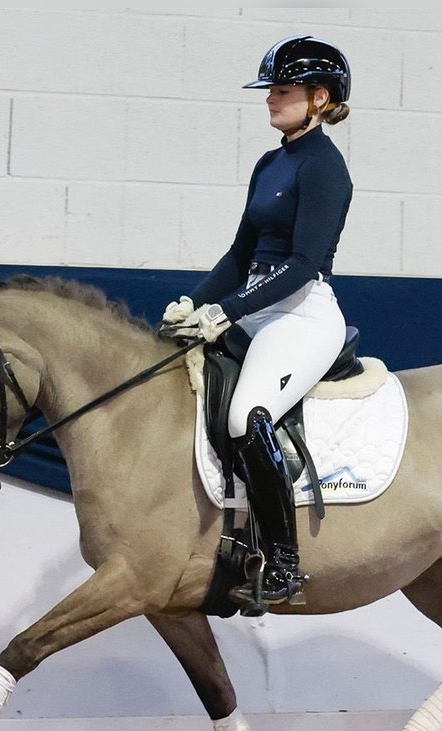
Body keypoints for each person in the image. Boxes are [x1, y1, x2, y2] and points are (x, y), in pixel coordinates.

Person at [162, 35, 353, 614]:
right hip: (255, 305)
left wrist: (229, 312)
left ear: (320, 98)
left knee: (249, 415)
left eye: (283, 89)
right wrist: (192, 306)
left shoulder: (324, 168)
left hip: (301, 313)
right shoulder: (270, 163)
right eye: (270, 88)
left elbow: (300, 266)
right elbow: (238, 256)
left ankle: (286, 563)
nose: (271, 98)